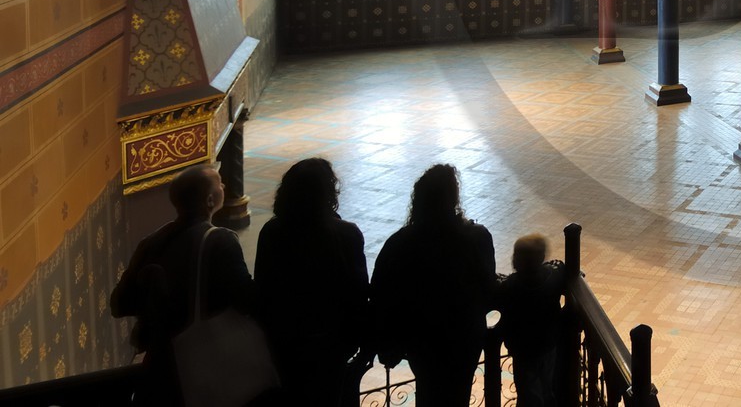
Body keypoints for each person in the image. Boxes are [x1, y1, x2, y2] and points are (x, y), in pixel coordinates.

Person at [110, 163, 253, 405]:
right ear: (210, 200)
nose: (224, 185)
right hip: (205, 366)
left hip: (160, 366)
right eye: (219, 182)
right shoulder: (222, 241)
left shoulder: (151, 242)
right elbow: (247, 301)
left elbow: (119, 304)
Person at [369, 164, 496, 406]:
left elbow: (381, 292)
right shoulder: (477, 238)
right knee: (457, 394)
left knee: (429, 391)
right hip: (464, 338)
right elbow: (488, 290)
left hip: (421, 341)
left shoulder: (400, 243)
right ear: (454, 197)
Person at [253, 157, 369, 407]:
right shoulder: (346, 234)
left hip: (286, 345)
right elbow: (358, 294)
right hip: (331, 347)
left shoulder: (272, 232)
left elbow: (263, 290)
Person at [494, 235, 566, 407]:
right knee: (547, 386)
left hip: (523, 350)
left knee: (528, 391)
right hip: (548, 345)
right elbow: (560, 267)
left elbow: (497, 289)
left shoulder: (511, 286)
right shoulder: (552, 278)